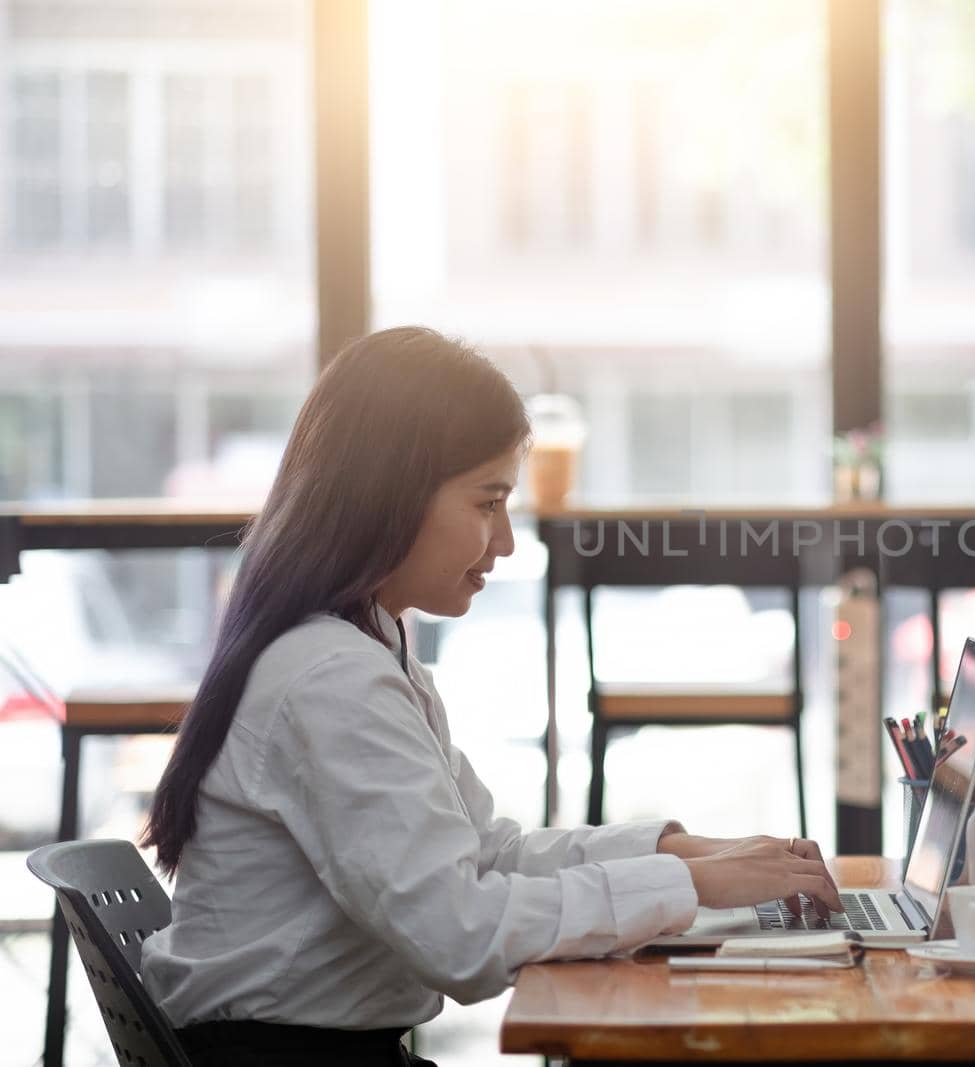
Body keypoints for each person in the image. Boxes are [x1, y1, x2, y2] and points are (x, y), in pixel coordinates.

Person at [139, 328, 840, 1066]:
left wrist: (678, 849)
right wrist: (687, 882)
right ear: (392, 490)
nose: (504, 542)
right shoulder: (331, 679)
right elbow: (461, 933)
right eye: (488, 502)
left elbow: (488, 852)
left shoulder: (363, 648)